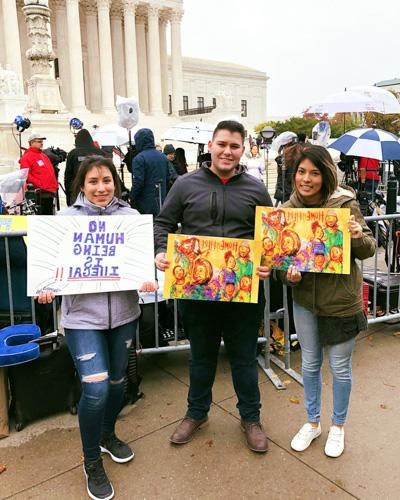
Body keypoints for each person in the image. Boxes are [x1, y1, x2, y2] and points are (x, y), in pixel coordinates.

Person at [38, 156, 157, 500]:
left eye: (107, 180)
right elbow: (50, 268)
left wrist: (148, 279)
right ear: (80, 185)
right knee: (96, 388)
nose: (101, 188)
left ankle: (107, 434)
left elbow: (141, 263)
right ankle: (92, 461)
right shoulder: (64, 220)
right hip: (81, 320)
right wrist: (47, 287)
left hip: (123, 316)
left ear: (115, 183)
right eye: (93, 182)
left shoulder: (131, 219)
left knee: (119, 382)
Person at [154, 120, 272, 453]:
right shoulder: (185, 184)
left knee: (244, 359)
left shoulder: (255, 188)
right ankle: (196, 413)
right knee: (201, 358)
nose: (227, 151)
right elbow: (163, 223)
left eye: (234, 146)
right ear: (211, 145)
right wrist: (161, 250)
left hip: (243, 293)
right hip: (198, 291)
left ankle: (251, 418)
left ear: (242, 149)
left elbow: (267, 238)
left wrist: (265, 263)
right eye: (222, 144)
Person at [281, 145, 375, 458]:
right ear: (294, 174)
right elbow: (282, 262)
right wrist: (288, 276)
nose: (306, 179)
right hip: (306, 300)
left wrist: (356, 234)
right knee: (309, 364)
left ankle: (338, 426)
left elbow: (368, 248)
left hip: (341, 301)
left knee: (340, 368)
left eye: (314, 172)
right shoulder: (287, 212)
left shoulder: (344, 204)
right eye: (301, 171)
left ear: (326, 175)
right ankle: (312, 422)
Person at [131, 128, 170, 215]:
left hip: (145, 204)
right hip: (161, 201)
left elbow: (138, 182)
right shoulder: (163, 157)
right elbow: (168, 178)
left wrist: (132, 196)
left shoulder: (139, 159)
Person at [19, 132, 58, 214]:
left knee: (49, 218)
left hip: (49, 191)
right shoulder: (27, 157)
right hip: (40, 193)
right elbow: (25, 174)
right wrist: (39, 184)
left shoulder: (43, 155)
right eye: (39, 141)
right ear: (32, 142)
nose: (42, 143)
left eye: (42, 141)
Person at [65, 129, 105, 206]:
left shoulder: (73, 153)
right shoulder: (100, 152)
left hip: (77, 190)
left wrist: (68, 193)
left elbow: (68, 176)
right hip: (97, 188)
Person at [274, 141, 304, 206]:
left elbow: (280, 177)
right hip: (296, 189)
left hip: (286, 189)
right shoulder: (301, 157)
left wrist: (279, 188)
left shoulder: (283, 158)